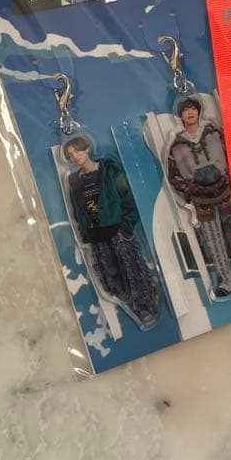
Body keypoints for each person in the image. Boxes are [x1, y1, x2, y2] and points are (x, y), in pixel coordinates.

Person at [166, 96, 231, 298]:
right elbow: (173, 177)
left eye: (193, 108)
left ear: (199, 111)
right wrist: (190, 192)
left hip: (226, 194)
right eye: (185, 110)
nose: (190, 113)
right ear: (180, 115)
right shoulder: (176, 146)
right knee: (214, 242)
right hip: (202, 203)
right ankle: (226, 282)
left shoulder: (215, 133)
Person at [63, 136, 159, 326]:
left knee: (131, 268)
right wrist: (85, 232)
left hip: (118, 230)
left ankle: (144, 304)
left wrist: (126, 225)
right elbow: (77, 211)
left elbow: (128, 197)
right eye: (70, 155)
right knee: (110, 276)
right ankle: (134, 301)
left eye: (77, 151)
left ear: (87, 149)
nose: (74, 156)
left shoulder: (108, 169)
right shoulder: (74, 181)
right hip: (96, 235)